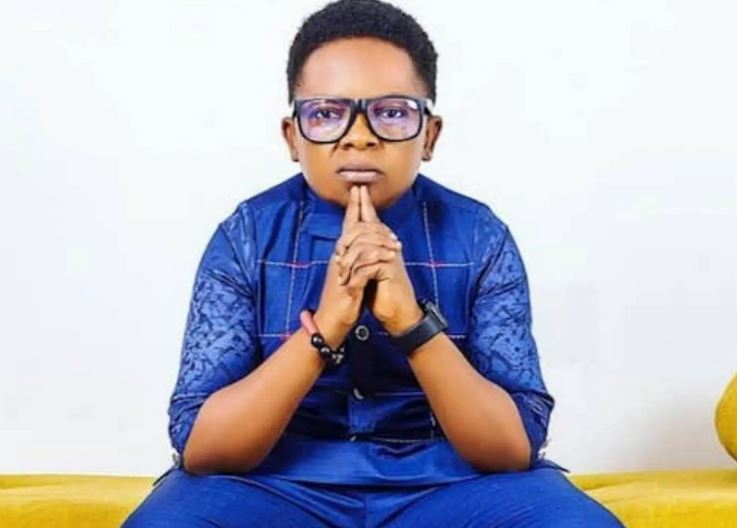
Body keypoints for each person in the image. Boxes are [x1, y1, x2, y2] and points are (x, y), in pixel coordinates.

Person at [122, 0, 624, 526]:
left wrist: (411, 323)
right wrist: (328, 326)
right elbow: (202, 448)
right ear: (293, 137)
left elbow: (513, 448)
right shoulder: (246, 236)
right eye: (326, 114)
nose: (358, 136)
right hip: (274, 484)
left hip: (450, 484)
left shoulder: (480, 236)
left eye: (391, 113)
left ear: (429, 135)